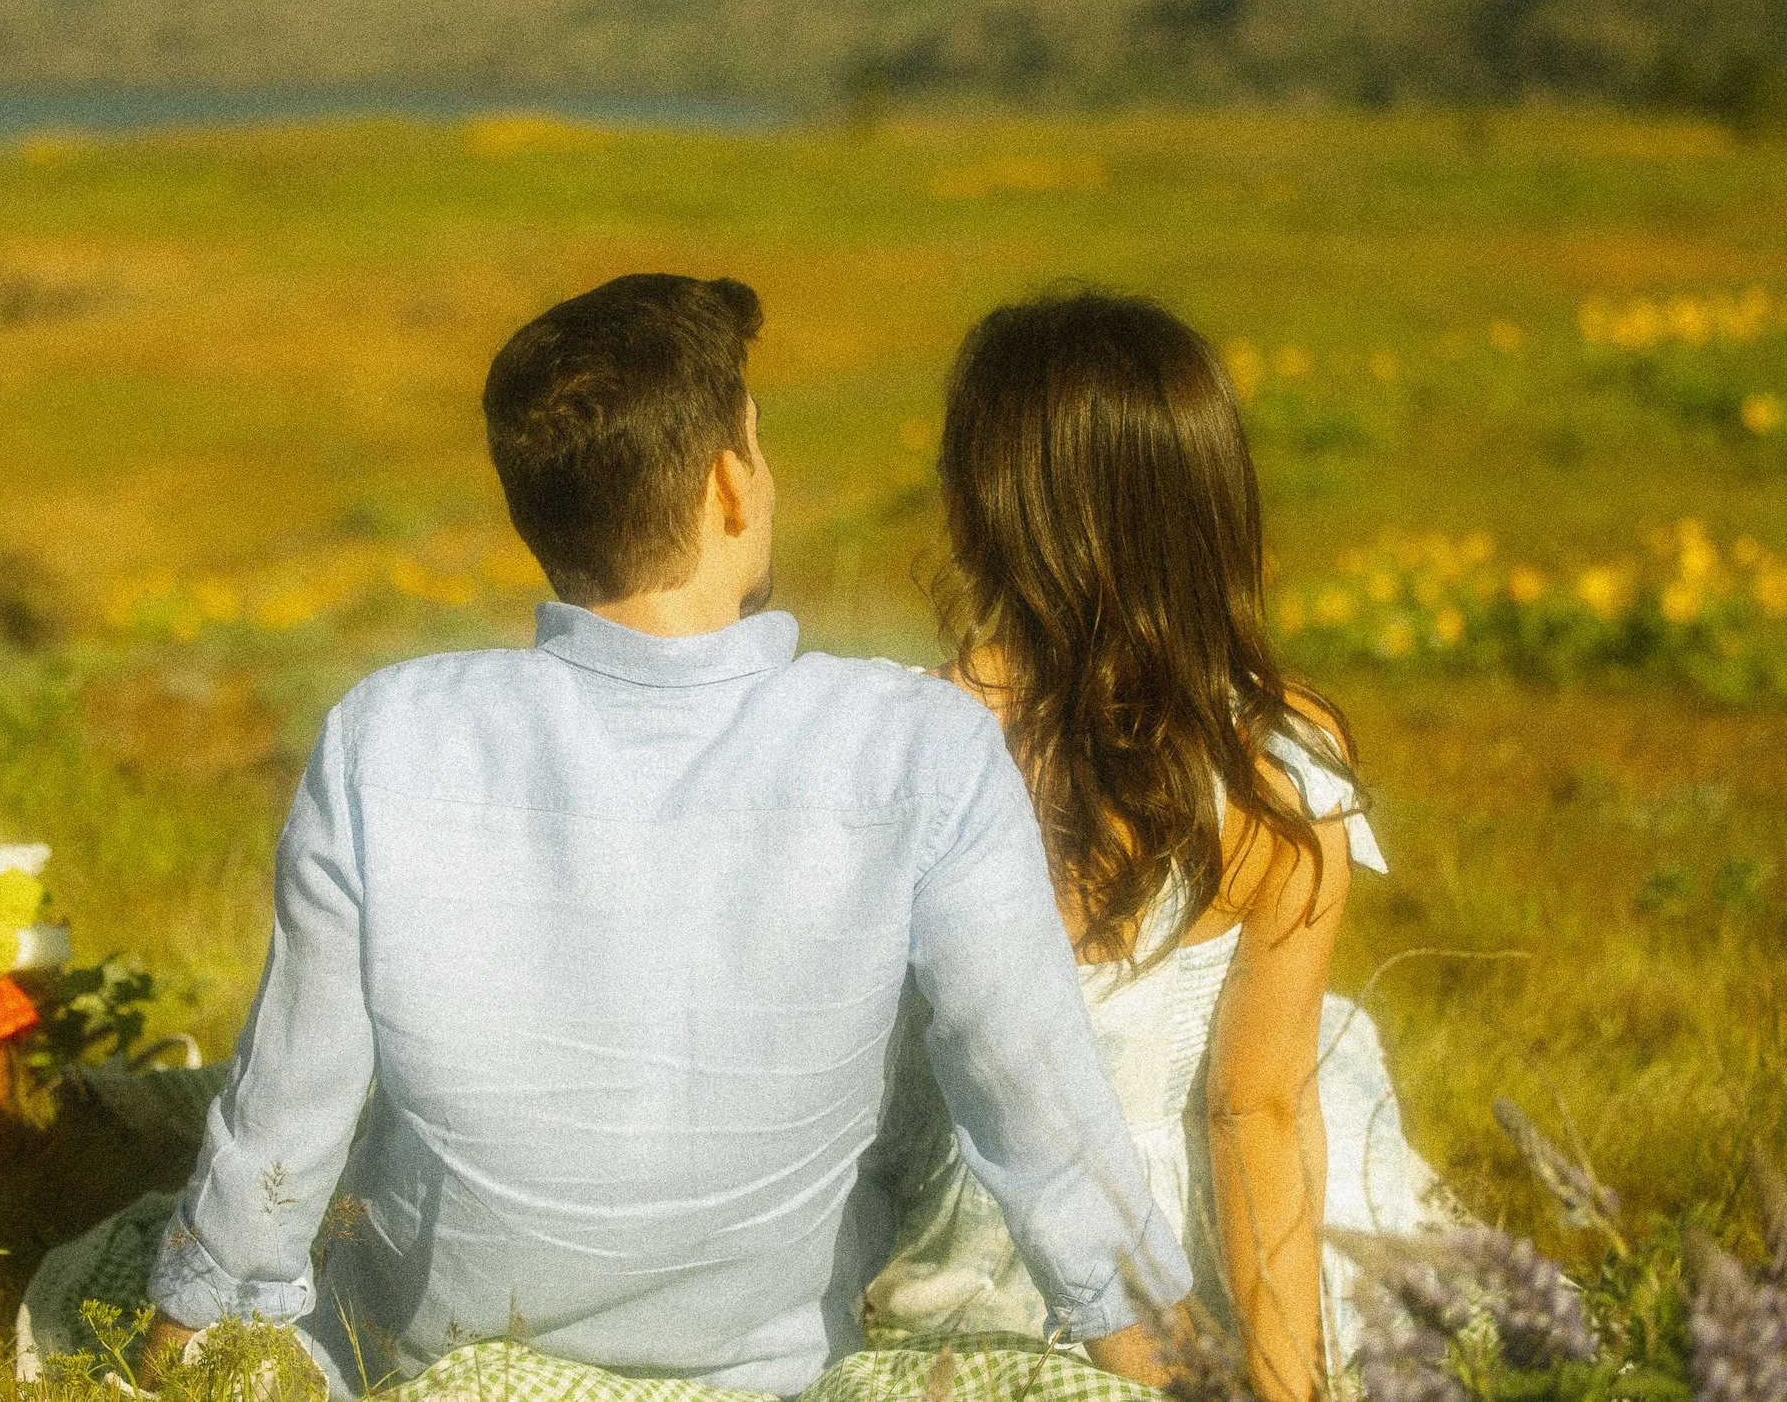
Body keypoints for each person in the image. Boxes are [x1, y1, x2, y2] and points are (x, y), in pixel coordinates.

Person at [136, 274, 1194, 1398]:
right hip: (768, 1370)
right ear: (730, 484)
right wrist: (1180, 1376)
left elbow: (288, 1102)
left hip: (435, 1354)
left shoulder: (387, 732)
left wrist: (167, 1345)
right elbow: (1037, 1109)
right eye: (760, 446)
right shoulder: (917, 746)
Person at [866, 289, 1443, 1402]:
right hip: (1204, 1254)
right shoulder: (1280, 760)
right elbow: (1253, 1108)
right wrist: (1290, 1389)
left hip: (972, 1242)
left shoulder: (902, 738)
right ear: (1212, 505)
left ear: (979, 505)